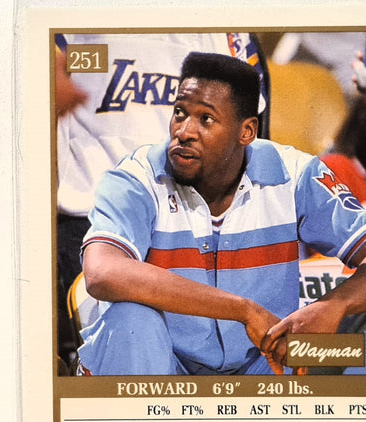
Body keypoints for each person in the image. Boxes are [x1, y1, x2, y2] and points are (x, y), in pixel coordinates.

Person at [78, 52, 366, 376]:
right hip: (166, 369)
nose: (184, 131)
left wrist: (335, 305)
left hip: (262, 364)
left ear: (246, 132)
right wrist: (241, 310)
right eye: (180, 112)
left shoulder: (296, 174)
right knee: (132, 319)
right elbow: (102, 272)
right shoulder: (136, 177)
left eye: (206, 119)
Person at [54, 32, 270, 369]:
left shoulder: (226, 32)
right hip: (89, 221)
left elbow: (250, 151)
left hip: (199, 224)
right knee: (133, 331)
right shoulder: (71, 27)